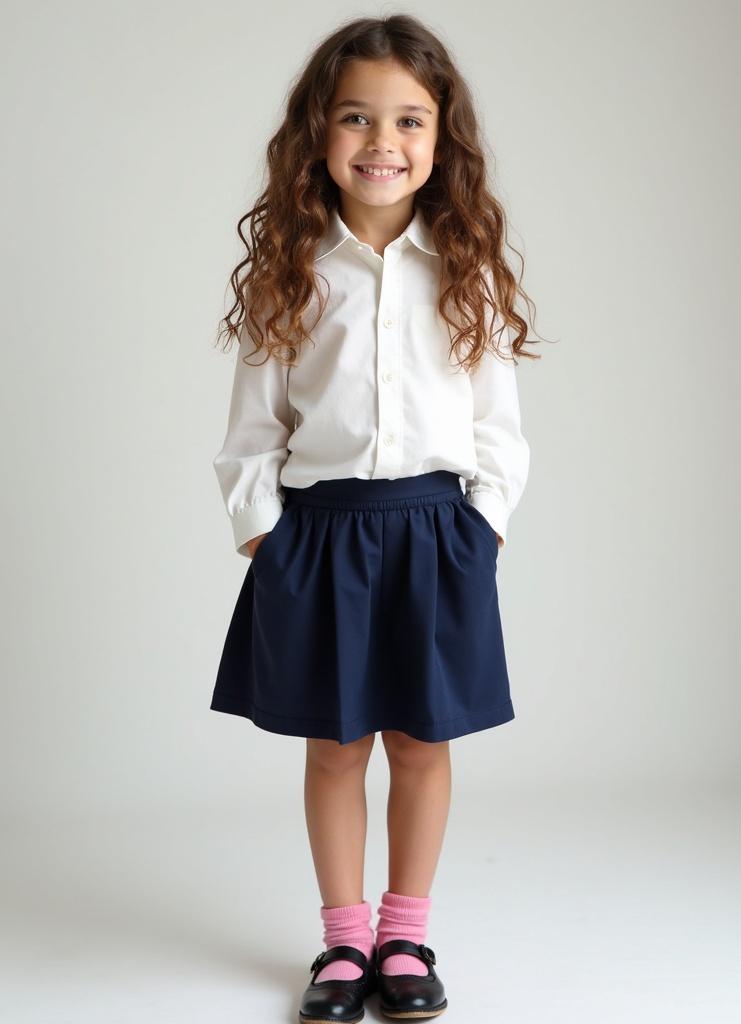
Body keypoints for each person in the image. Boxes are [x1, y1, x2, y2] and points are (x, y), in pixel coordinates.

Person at [210, 14, 542, 1023]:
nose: (382, 141)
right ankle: (343, 945)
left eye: (408, 119)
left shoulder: (467, 270)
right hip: (323, 537)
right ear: (320, 132)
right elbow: (250, 432)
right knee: (335, 745)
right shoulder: (294, 271)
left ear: (441, 142)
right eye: (356, 117)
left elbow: (500, 432)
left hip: (437, 533)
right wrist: (268, 539)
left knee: (422, 743)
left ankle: (407, 935)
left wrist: (482, 531)